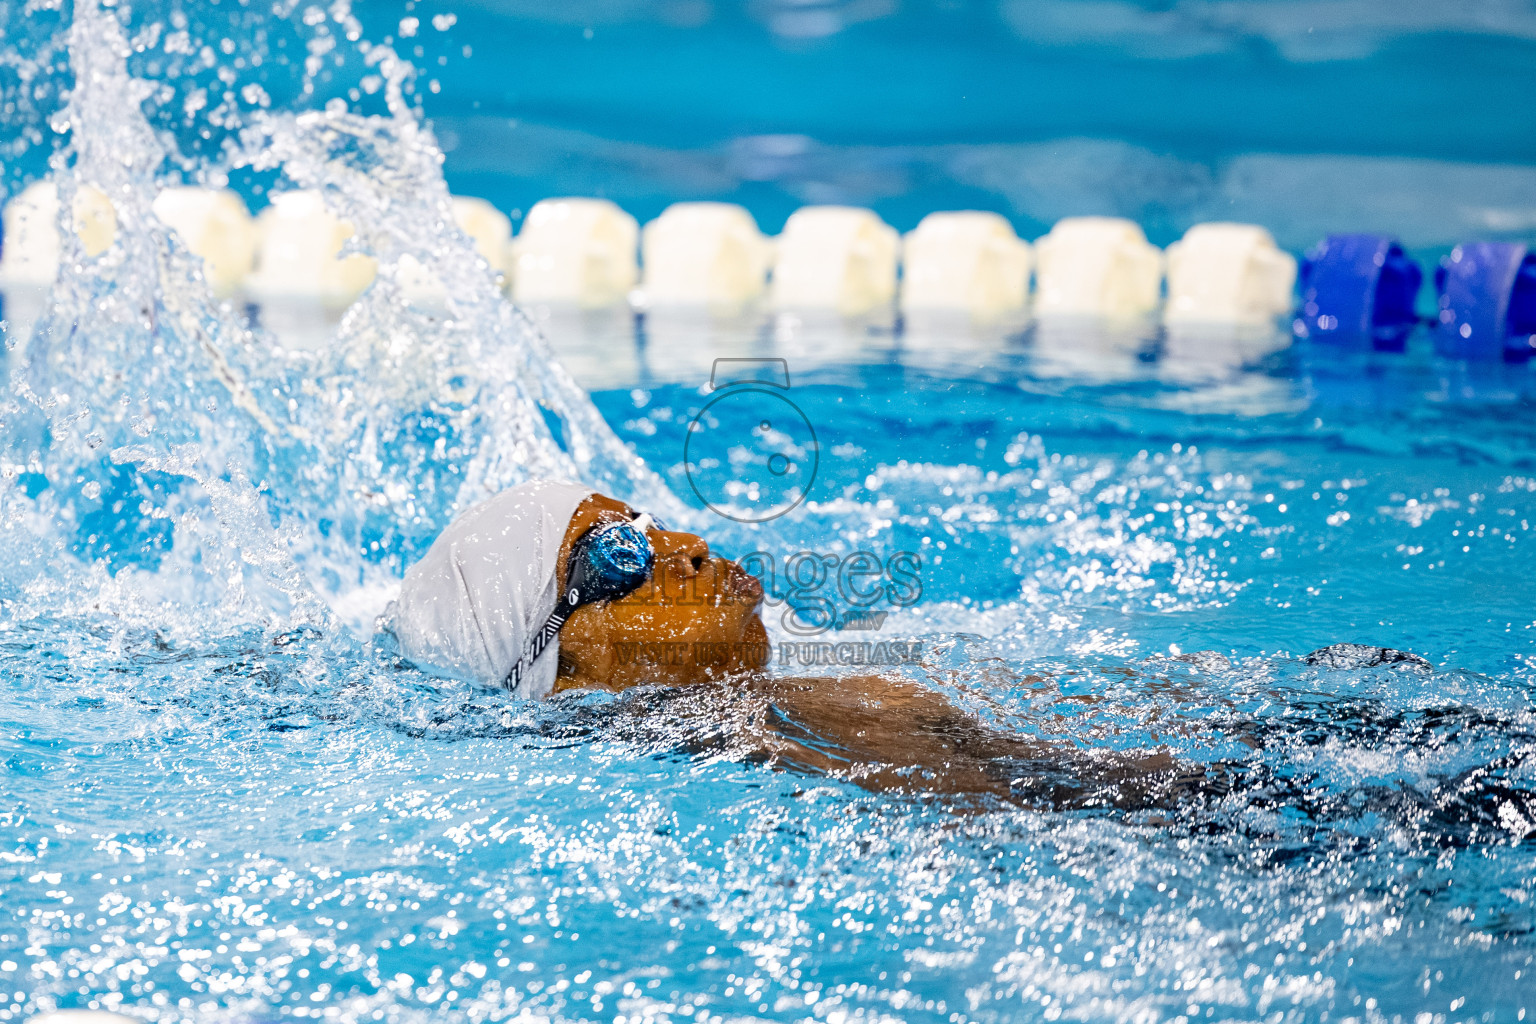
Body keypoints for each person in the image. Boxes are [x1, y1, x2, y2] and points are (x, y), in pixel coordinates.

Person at [384, 480, 1252, 812]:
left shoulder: (816, 689)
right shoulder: (737, 734)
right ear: (562, 668)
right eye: (619, 554)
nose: (682, 544)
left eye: (645, 519)